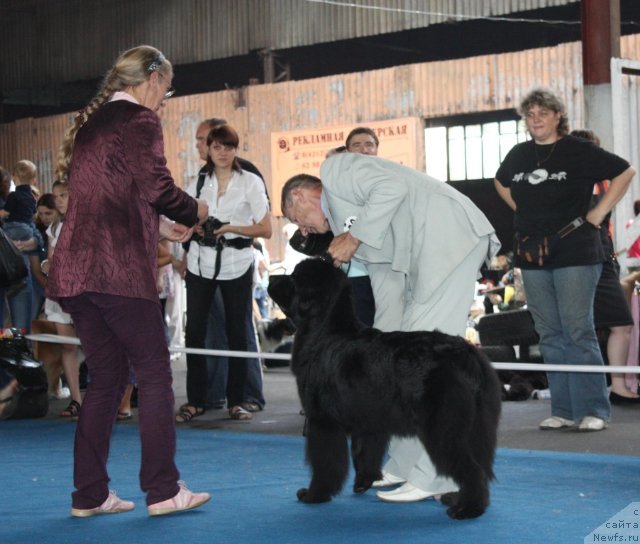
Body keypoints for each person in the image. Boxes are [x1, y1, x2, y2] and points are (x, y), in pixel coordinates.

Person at [46, 45, 210, 517]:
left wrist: (157, 226)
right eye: (167, 88)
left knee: (106, 380)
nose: (164, 99)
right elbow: (157, 187)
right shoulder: (139, 120)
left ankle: (89, 495)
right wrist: (195, 210)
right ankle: (163, 490)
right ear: (153, 78)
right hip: (116, 271)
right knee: (155, 373)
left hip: (77, 272)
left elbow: (108, 196)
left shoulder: (91, 121)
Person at [281, 151, 498, 503]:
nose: (303, 230)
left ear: (302, 195)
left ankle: (437, 478)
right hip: (423, 262)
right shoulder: (352, 230)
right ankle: (402, 465)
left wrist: (353, 238)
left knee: (427, 373)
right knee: (395, 370)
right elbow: (388, 291)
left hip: (449, 242)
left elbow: (391, 185)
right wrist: (376, 351)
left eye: (297, 218)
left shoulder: (336, 169)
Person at [494, 88, 635, 432]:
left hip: (575, 250)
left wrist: (599, 212)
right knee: (549, 332)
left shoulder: (578, 150)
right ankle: (564, 409)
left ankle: (594, 410)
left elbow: (625, 172)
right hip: (531, 251)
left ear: (558, 116)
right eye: (530, 114)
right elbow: (500, 182)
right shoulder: (520, 154)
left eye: (543, 112)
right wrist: (522, 209)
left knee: (577, 329)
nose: (536, 119)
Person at [178, 123, 272, 423]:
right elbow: (185, 219)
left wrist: (230, 227)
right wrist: (191, 230)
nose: (222, 152)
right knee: (195, 333)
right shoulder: (197, 182)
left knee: (236, 333)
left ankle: (238, 401)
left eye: (228, 147)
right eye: (216, 146)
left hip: (237, 263)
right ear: (208, 149)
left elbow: (265, 228)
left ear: (236, 149)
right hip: (199, 263)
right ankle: (196, 400)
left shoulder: (250, 182)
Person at [570, 129, 639, 404]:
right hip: (576, 261)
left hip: (605, 259)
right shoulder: (569, 184)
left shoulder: (604, 182)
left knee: (622, 324)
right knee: (578, 330)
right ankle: (584, 391)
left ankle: (618, 386)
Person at [41, 180, 83, 418]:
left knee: (95, 347)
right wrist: (48, 265)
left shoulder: (87, 223)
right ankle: (76, 400)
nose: (58, 200)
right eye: (56, 196)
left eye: (63, 195)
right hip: (60, 294)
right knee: (67, 347)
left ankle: (103, 400)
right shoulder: (54, 228)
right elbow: (50, 258)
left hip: (84, 294)